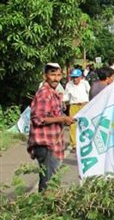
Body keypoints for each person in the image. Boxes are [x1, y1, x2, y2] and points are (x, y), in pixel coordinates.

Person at [27, 63, 74, 192]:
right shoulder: (44, 93)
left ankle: (48, 208)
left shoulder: (53, 93)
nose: (56, 78)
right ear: (45, 76)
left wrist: (65, 118)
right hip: (46, 144)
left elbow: (55, 114)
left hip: (53, 143)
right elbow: (38, 118)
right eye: (52, 74)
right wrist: (63, 119)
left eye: (58, 75)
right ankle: (45, 209)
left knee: (52, 181)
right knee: (48, 184)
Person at [64, 68, 90, 152]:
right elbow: (66, 96)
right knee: (73, 125)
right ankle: (73, 144)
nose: (75, 79)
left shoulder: (85, 83)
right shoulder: (69, 85)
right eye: (73, 77)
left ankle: (85, 141)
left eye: (77, 77)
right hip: (74, 106)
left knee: (85, 123)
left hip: (84, 105)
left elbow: (89, 92)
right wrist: (63, 102)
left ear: (81, 77)